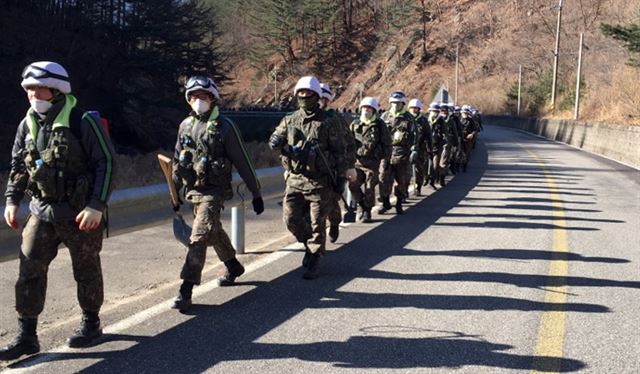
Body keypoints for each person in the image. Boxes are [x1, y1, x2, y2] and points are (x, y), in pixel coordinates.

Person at [1, 61, 116, 360]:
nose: (33, 94)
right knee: (29, 269)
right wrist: (12, 201)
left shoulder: (81, 121)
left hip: (80, 213)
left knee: (86, 269)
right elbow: (18, 167)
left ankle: (91, 324)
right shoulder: (27, 124)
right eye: (29, 89)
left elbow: (107, 163)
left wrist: (96, 205)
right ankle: (27, 336)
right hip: (42, 211)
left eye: (39, 88)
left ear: (56, 90)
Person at [171, 75, 264, 312]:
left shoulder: (225, 127)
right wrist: (175, 187)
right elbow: (176, 158)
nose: (198, 100)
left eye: (202, 96)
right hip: (193, 190)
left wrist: (256, 192)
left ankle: (186, 288)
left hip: (215, 191)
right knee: (213, 231)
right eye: (193, 96)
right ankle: (233, 265)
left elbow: (242, 161)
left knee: (199, 236)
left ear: (212, 99)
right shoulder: (185, 126)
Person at [269, 76, 348, 279]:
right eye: (301, 94)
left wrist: (341, 178)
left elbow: (339, 151)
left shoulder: (328, 121)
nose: (304, 97)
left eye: (308, 94)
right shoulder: (290, 119)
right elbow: (274, 141)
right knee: (291, 219)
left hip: (319, 180)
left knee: (317, 222)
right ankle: (308, 244)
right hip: (295, 178)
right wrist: (276, 141)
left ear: (317, 95)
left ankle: (314, 257)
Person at [318, 82, 356, 243]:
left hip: (332, 169)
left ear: (327, 100)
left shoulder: (336, 119)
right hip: (311, 170)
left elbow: (349, 144)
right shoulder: (303, 117)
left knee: (332, 203)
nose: (318, 101)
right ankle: (315, 245)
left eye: (321, 98)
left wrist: (348, 168)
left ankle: (334, 223)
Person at [348, 97, 391, 222]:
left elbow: (387, 143)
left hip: (373, 163)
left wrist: (386, 160)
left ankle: (367, 211)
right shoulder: (355, 124)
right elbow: (348, 142)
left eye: (369, 108)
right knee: (353, 186)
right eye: (364, 108)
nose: (366, 110)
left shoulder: (379, 125)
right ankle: (361, 204)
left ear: (373, 110)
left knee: (369, 188)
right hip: (357, 163)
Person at [378, 91, 415, 214]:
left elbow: (414, 135)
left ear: (402, 104)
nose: (395, 105)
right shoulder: (384, 116)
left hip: (402, 154)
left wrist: (414, 150)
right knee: (383, 178)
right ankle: (385, 202)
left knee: (402, 180)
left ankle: (399, 203)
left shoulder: (409, 118)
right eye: (393, 103)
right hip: (387, 153)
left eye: (397, 103)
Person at [407, 99, 433, 196]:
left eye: (416, 109)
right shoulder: (406, 119)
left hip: (420, 149)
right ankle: (404, 190)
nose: (414, 110)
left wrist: (430, 148)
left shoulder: (423, 121)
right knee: (405, 171)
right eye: (412, 108)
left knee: (419, 169)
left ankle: (418, 186)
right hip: (406, 149)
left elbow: (428, 135)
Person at [460, 105, 479, 172]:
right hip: (460, 138)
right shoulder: (458, 119)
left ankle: (464, 165)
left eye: (466, 112)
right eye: (464, 112)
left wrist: (471, 134)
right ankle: (456, 165)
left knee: (466, 153)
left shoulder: (471, 120)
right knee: (458, 152)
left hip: (468, 139)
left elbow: (475, 130)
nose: (465, 114)